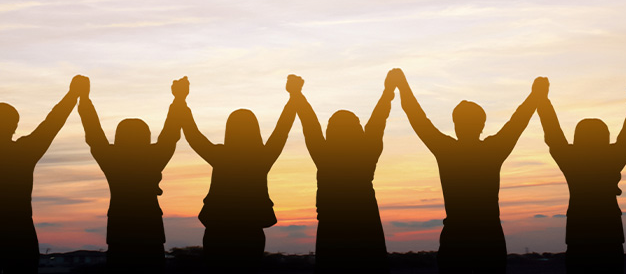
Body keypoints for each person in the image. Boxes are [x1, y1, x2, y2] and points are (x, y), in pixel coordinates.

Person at [393, 68, 540, 274]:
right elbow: (518, 121)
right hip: (488, 240)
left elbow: (417, 117)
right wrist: (535, 96)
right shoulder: (492, 150)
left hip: (457, 240)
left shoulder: (447, 150)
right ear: (482, 124)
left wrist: (402, 85)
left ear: (455, 124)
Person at [180, 75, 298, 273]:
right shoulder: (262, 157)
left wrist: (181, 101)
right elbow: (282, 130)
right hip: (250, 231)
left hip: (219, 230)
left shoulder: (221, 155)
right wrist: (294, 97)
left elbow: (193, 135)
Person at [536, 77, 626, 274]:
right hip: (609, 236)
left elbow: (552, 133)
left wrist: (543, 100)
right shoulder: (613, 158)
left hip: (579, 237)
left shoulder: (572, 161)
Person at [77, 76, 185, 273]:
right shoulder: (154, 157)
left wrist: (84, 99)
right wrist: (179, 99)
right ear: (146, 137)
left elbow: (93, 132)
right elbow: (171, 133)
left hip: (121, 232)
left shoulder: (112, 159)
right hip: (150, 232)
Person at [290, 72, 395, 274]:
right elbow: (379, 119)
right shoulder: (366, 152)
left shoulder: (325, 155)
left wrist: (297, 94)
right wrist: (388, 91)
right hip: (366, 226)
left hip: (333, 228)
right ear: (358, 130)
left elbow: (309, 123)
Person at [0, 76, 84, 274]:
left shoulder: (23, 151)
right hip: (18, 231)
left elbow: (52, 122)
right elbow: (52, 122)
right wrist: (73, 95)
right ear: (14, 126)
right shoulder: (23, 152)